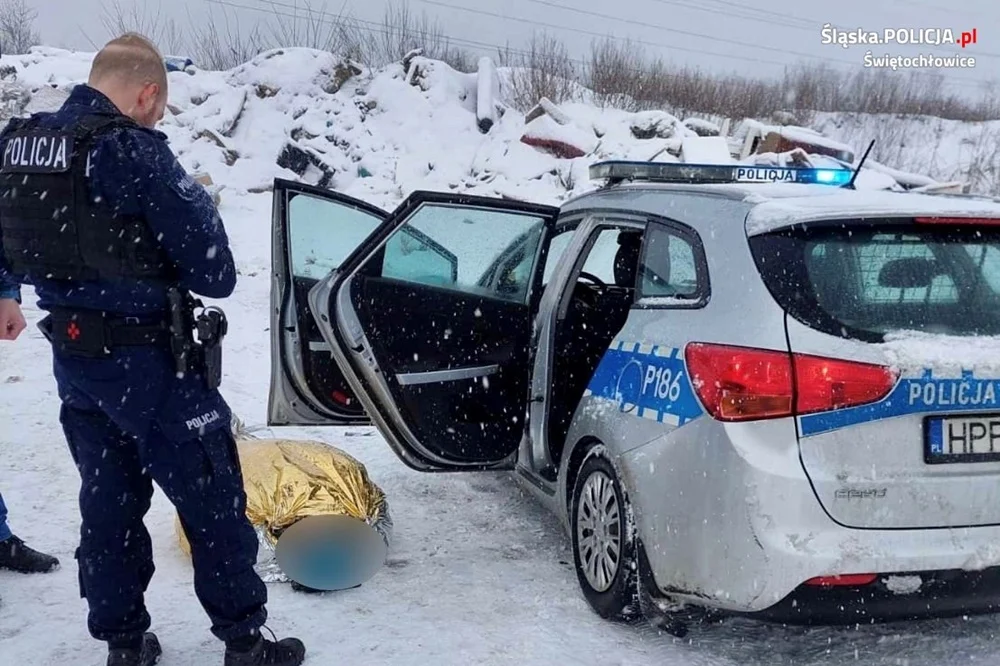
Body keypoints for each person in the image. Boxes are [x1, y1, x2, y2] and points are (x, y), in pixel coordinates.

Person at [0, 33, 305, 666]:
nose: (156, 117)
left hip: (76, 362)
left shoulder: (22, 145)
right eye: (158, 107)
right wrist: (193, 195)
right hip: (152, 364)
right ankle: (245, 643)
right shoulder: (134, 153)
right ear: (146, 94)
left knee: (107, 502)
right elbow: (215, 271)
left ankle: (124, 643)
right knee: (212, 499)